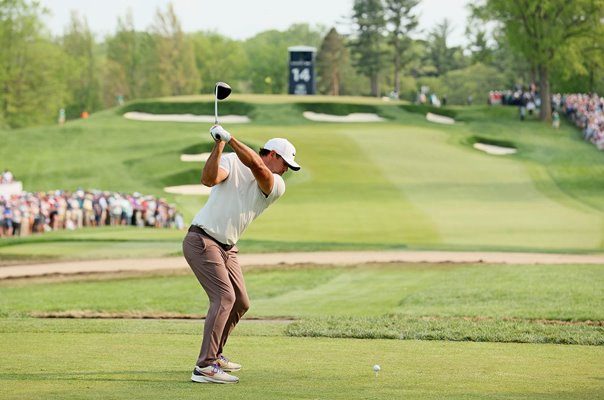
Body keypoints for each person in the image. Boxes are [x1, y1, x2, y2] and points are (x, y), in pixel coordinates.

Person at [183, 124, 301, 384]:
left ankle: (216, 353)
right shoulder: (231, 161)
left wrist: (230, 137)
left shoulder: (276, 184)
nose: (286, 171)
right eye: (285, 164)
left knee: (241, 302)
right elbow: (208, 179)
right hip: (202, 239)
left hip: (228, 247)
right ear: (273, 154)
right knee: (225, 297)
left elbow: (258, 168)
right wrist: (219, 145)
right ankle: (205, 366)